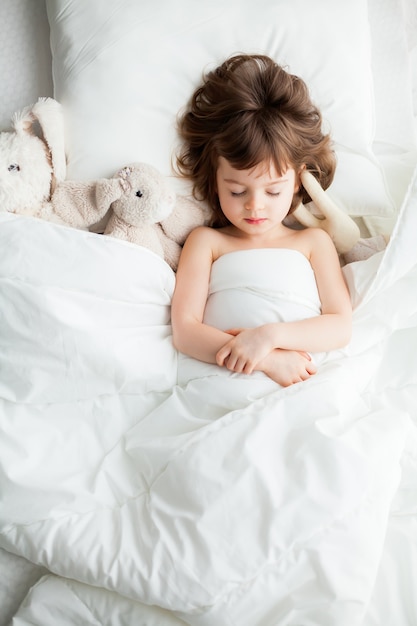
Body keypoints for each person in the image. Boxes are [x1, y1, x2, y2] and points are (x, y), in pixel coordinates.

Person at [171, 53, 352, 387]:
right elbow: (185, 330)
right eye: (238, 191)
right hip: (223, 378)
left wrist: (269, 336)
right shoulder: (207, 242)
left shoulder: (312, 243)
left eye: (273, 192)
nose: (255, 207)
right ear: (215, 181)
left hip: (302, 379)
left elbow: (340, 325)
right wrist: (267, 360)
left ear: (297, 181)